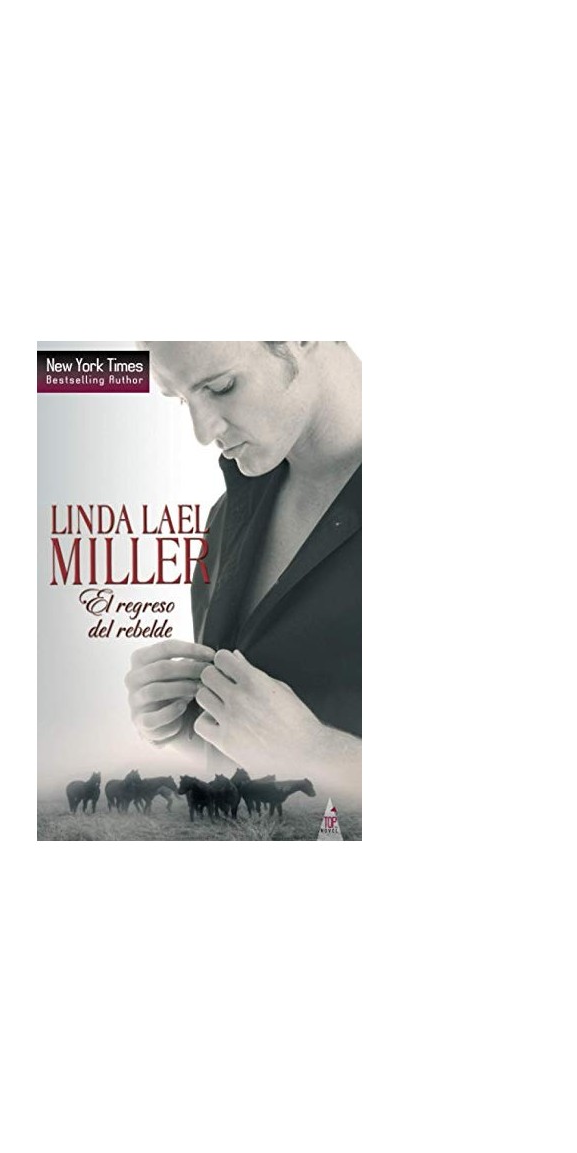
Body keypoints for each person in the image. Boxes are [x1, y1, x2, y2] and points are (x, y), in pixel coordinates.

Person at [124, 341, 362, 806]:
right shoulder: (227, 515)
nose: (202, 431)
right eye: (181, 400)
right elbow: (244, 763)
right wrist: (184, 726)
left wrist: (317, 754)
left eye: (221, 387)